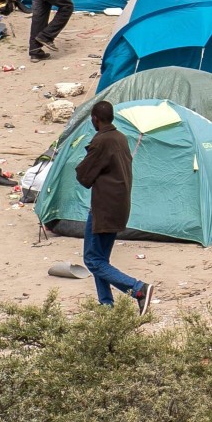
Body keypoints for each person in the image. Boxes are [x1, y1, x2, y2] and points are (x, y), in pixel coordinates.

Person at [73, 101, 153, 313]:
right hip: (120, 204)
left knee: (92, 260)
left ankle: (138, 288)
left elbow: (83, 175)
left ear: (95, 119)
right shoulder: (120, 137)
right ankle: (106, 305)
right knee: (101, 259)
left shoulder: (102, 141)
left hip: (104, 208)